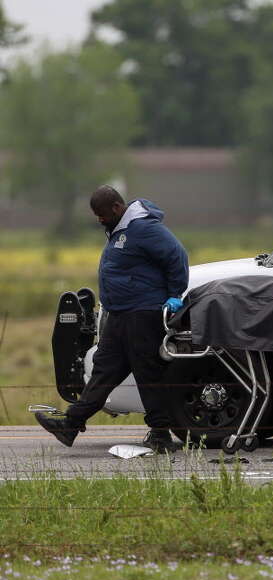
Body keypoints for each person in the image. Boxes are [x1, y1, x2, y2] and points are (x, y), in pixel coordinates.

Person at [34, 186, 189, 453]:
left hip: (142, 313)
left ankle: (161, 435)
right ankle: (71, 423)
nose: (100, 220)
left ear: (117, 208)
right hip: (120, 315)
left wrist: (175, 295)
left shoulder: (143, 229)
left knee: (147, 374)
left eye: (102, 214)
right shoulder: (121, 229)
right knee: (104, 372)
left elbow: (177, 257)